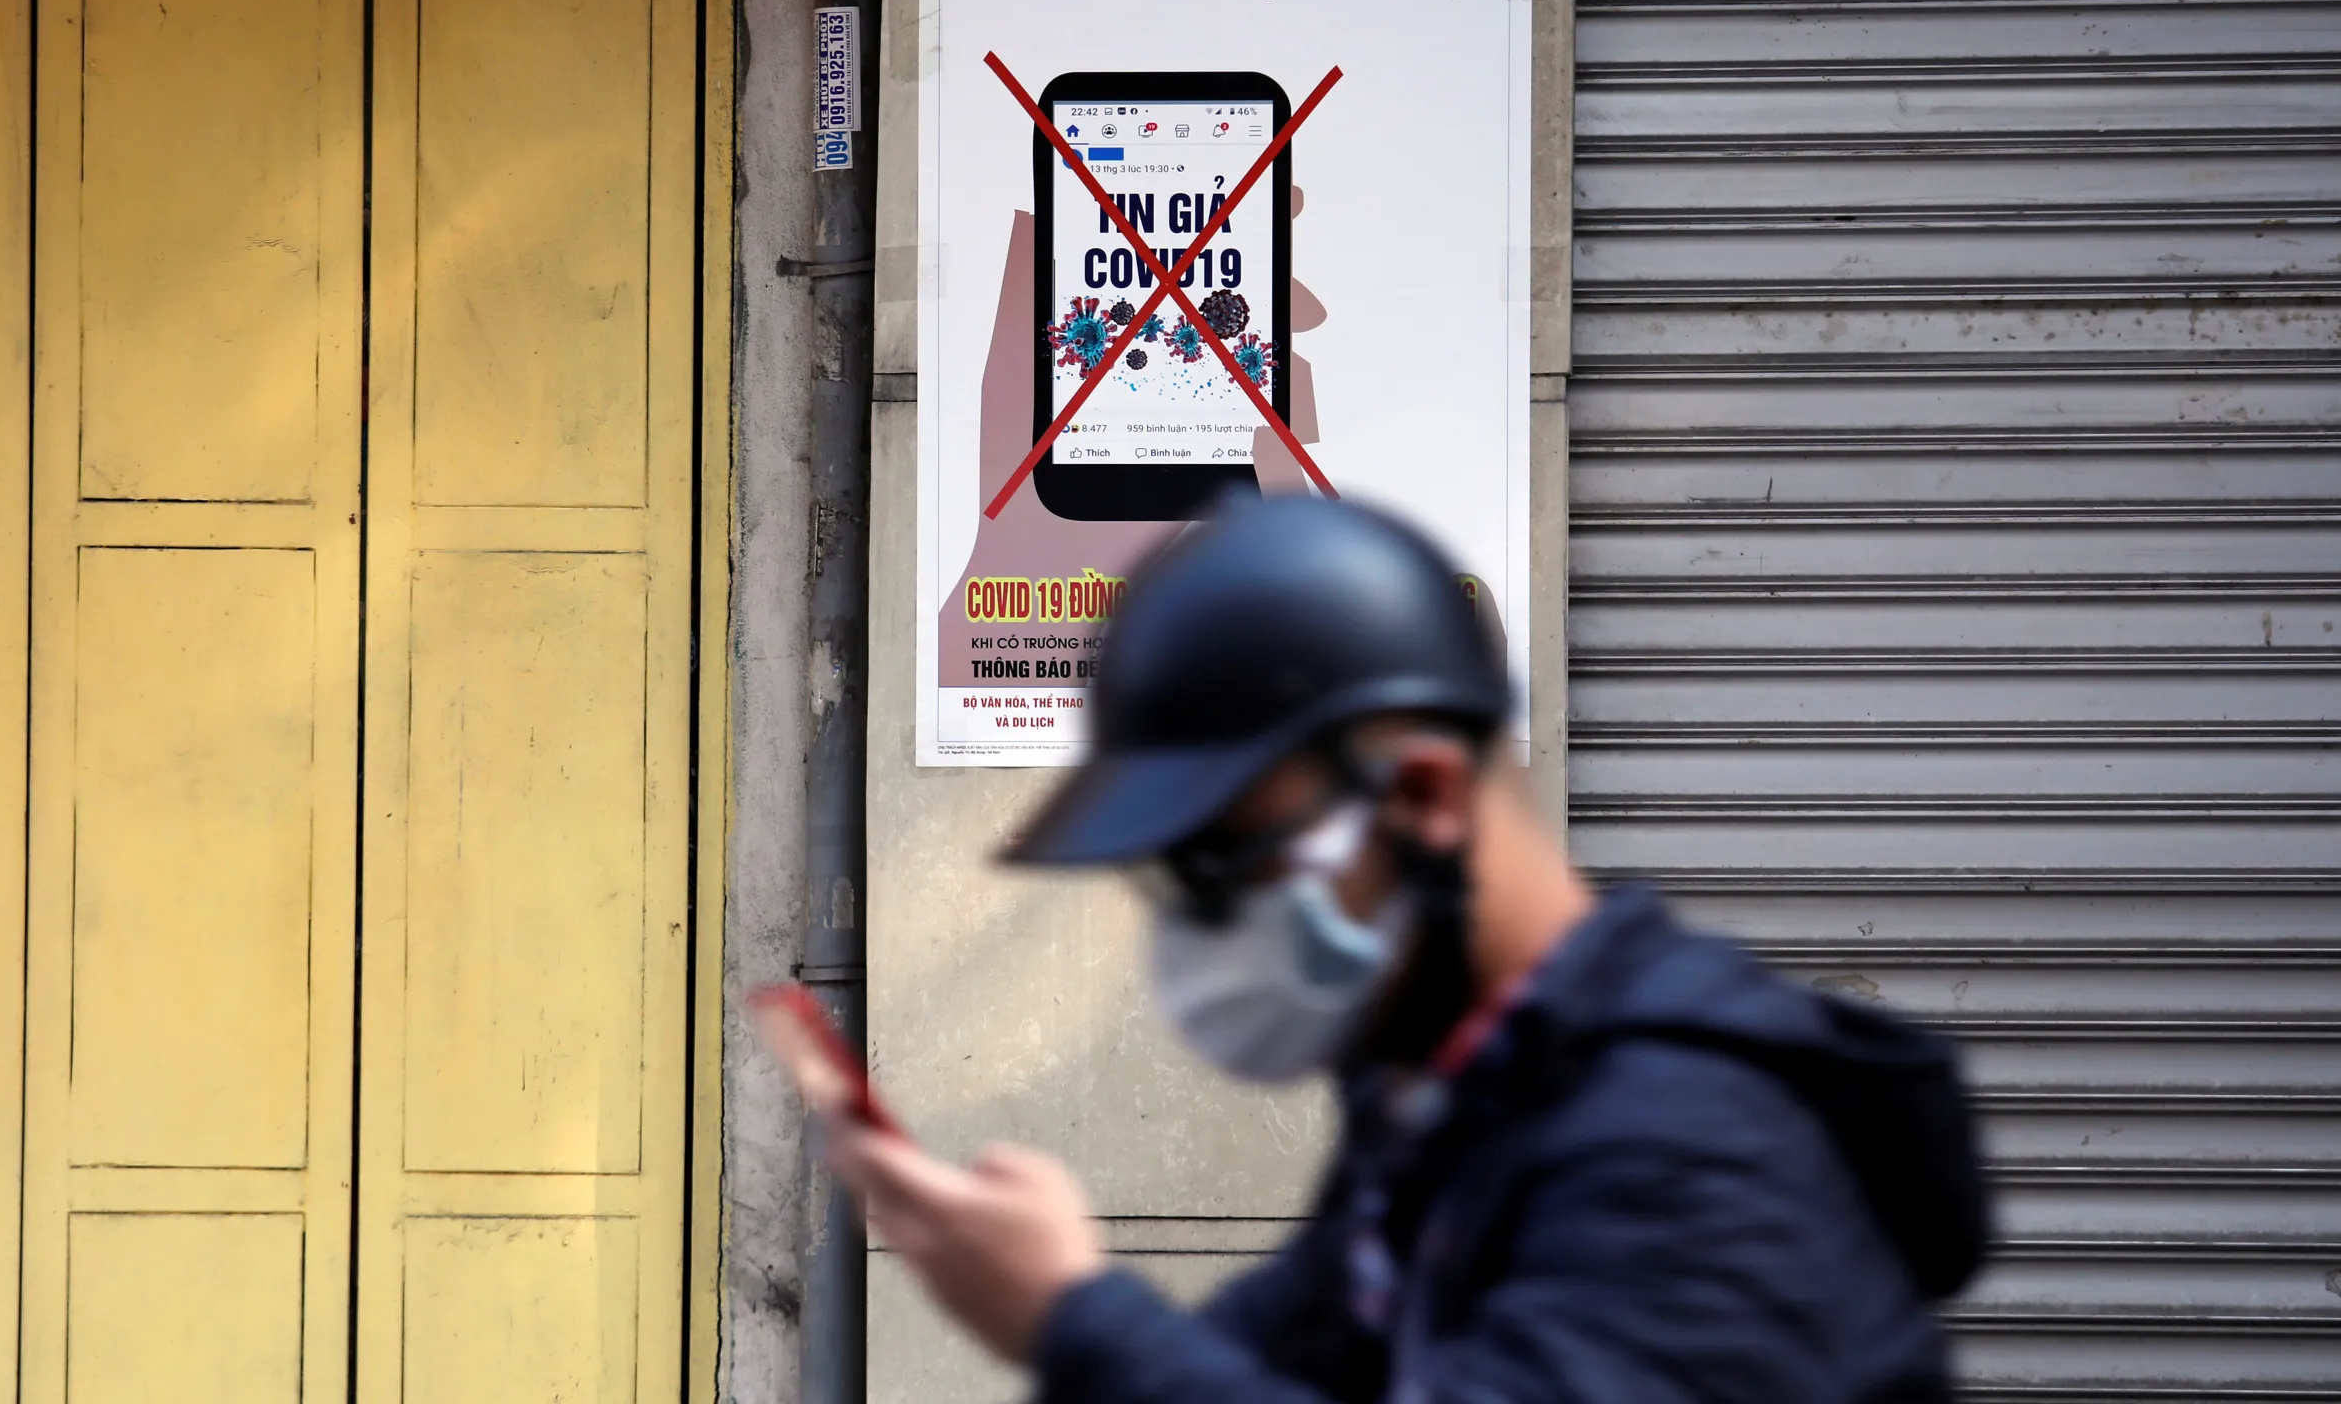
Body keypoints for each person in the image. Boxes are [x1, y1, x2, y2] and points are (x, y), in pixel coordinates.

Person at [825, 496, 1990, 1403]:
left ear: (1425, 795)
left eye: (1227, 860)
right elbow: (1271, 1355)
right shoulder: (1455, 1096)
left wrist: (1069, 1314)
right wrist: (1035, 1291)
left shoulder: (1693, 1146)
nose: (1196, 926)